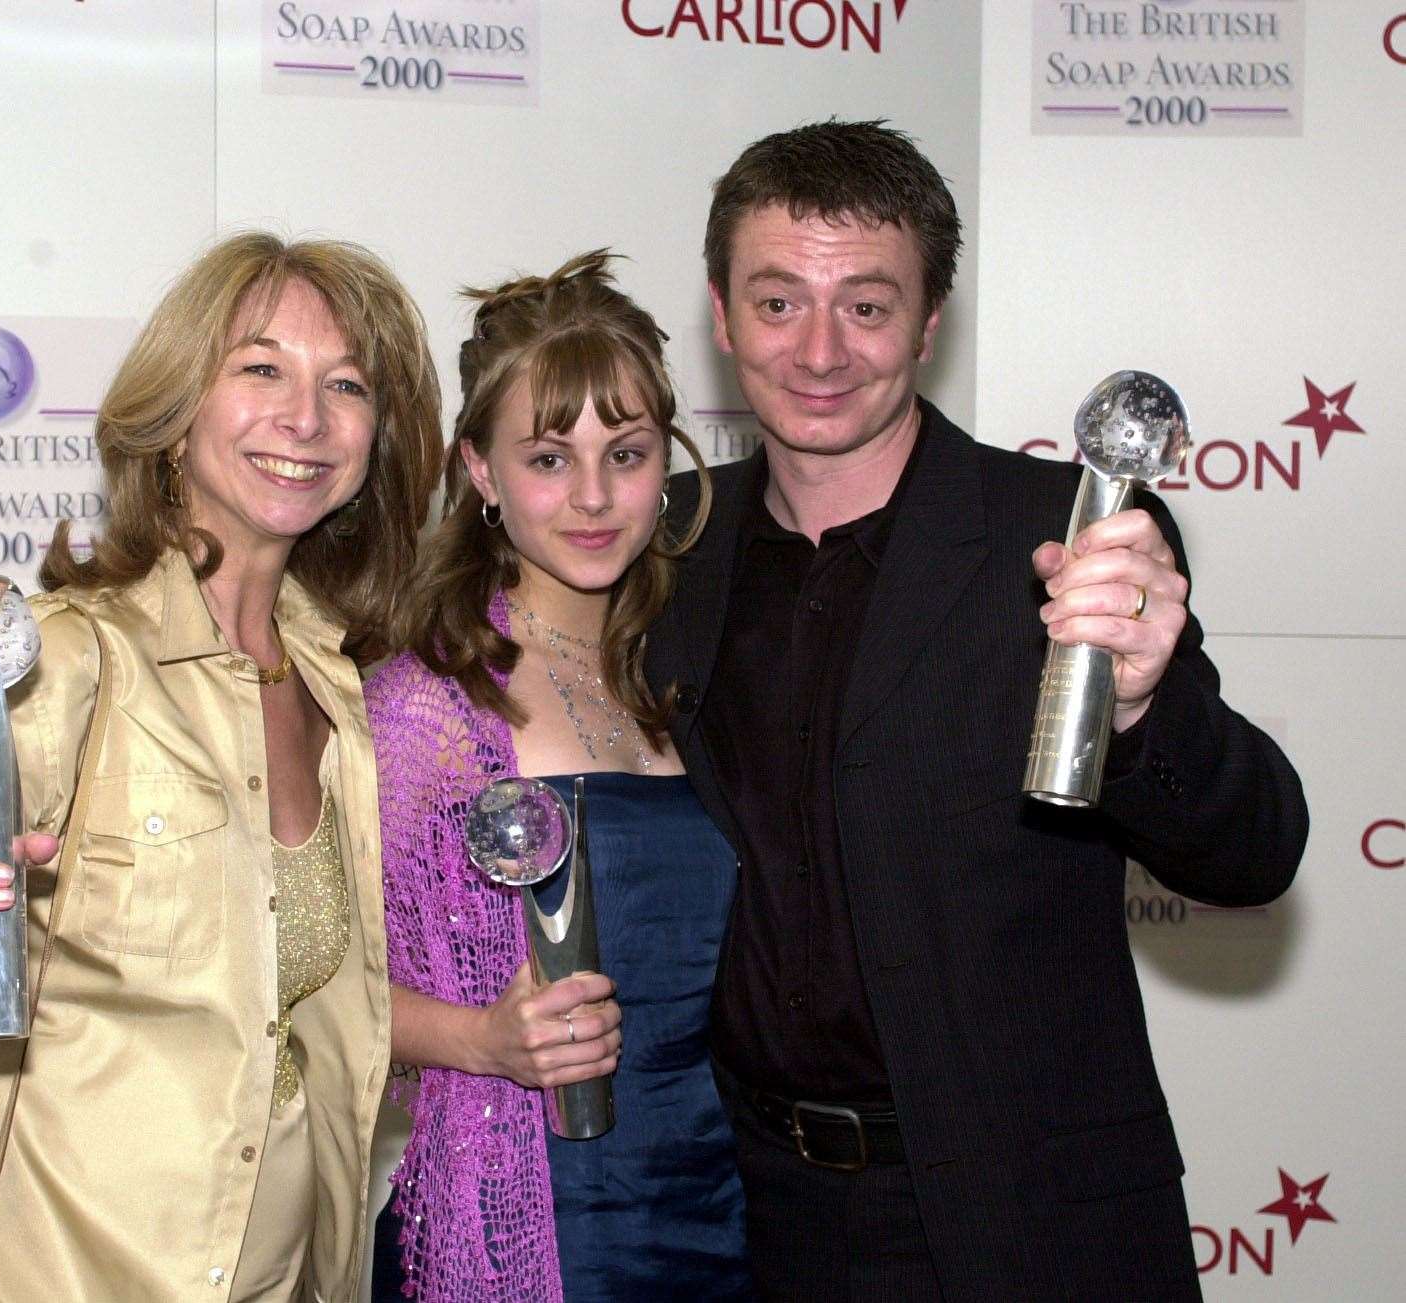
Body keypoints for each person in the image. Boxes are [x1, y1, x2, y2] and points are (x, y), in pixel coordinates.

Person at [643, 120, 1311, 1302]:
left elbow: (1252, 848)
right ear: (719, 313)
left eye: (865, 304)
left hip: (1022, 1223)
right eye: (777, 300)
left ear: (929, 320)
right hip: (744, 1217)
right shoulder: (666, 550)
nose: (817, 348)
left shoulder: (1062, 534)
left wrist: (1147, 705)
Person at [0, 231, 444, 1302]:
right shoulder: (54, 658)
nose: (306, 416)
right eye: (261, 369)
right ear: (176, 413)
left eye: (346, 384)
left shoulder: (340, 692)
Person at [365, 251, 751, 1302]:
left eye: (624, 454)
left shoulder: (681, 672)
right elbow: (303, 981)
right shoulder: (424, 706)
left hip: (721, 1212)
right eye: (546, 458)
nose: (592, 496)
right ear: (480, 472)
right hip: (528, 1225)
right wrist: (477, 1038)